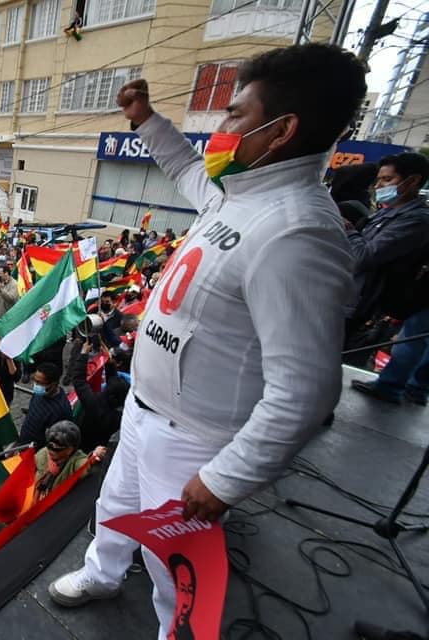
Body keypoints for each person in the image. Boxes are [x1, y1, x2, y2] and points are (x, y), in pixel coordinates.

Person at [47, 44, 366, 640]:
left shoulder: (296, 233)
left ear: (281, 131)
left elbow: (306, 391)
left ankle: (177, 634)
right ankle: (103, 573)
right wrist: (146, 120)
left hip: (197, 440)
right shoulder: (238, 193)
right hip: (145, 412)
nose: (220, 129)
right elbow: (186, 170)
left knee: (179, 565)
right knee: (114, 510)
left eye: (237, 115)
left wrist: (226, 478)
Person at [348, 153, 429, 405]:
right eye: (379, 180)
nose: (379, 187)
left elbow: (364, 255)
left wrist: (348, 230)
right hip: (355, 292)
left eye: (387, 180)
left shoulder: (415, 220)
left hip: (372, 301)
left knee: (410, 341)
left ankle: (396, 388)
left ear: (412, 181)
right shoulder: (387, 213)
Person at [69, 341, 130, 451]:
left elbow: (79, 381)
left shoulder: (93, 403)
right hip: (97, 448)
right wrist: (109, 362)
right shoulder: (120, 416)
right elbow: (113, 383)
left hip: (79, 443)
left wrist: (83, 354)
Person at [34, 421, 106, 500]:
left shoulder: (76, 460)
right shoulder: (43, 453)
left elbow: (85, 466)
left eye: (56, 448)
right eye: (49, 445)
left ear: (70, 449)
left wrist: (94, 456)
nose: (51, 450)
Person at [19, 362, 72, 450]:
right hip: (24, 442)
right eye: (34, 380)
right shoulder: (39, 393)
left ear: (54, 384)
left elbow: (55, 442)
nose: (35, 385)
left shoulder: (61, 410)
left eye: (40, 383)